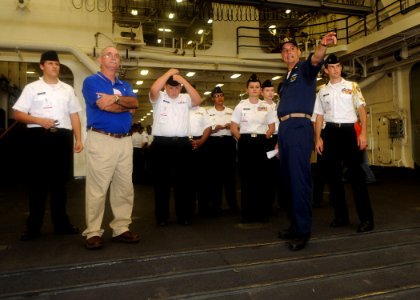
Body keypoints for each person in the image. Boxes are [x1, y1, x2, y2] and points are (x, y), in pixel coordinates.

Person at [12, 50, 83, 241]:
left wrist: (78, 139)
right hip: (38, 137)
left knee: (60, 185)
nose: (54, 67)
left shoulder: (67, 89)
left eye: (57, 64)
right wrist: (38, 119)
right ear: (42, 66)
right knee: (38, 185)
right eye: (50, 63)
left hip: (62, 137)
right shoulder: (32, 88)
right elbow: (17, 114)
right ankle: (33, 228)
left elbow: (74, 115)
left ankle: (62, 225)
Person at [277, 32, 337, 251]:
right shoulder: (287, 77)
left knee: (299, 180)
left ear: (299, 52)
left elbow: (316, 59)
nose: (288, 52)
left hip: (298, 128)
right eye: (284, 50)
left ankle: (303, 231)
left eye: (292, 49)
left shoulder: (304, 69)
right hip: (284, 129)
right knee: (288, 181)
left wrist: (321, 45)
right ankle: (294, 225)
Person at [82, 46, 140, 249]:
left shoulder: (125, 85)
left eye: (116, 56)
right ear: (100, 60)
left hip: (125, 141)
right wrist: (124, 106)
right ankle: (93, 232)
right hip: (101, 140)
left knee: (124, 187)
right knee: (97, 189)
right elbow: (103, 106)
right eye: (109, 54)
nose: (114, 57)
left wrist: (115, 99)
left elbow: (134, 104)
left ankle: (121, 228)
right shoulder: (91, 82)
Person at [314, 53, 374, 233]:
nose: (336, 69)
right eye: (332, 67)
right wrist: (317, 138)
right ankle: (341, 216)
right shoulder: (322, 91)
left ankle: (366, 219)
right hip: (330, 132)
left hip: (349, 132)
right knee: (334, 179)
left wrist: (363, 133)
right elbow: (319, 116)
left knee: (357, 177)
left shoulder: (353, 86)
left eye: (338, 66)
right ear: (326, 70)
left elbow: (362, 110)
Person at [149, 68, 202, 226]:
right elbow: (153, 89)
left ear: (180, 88)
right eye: (170, 87)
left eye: (176, 87)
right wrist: (168, 73)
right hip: (161, 144)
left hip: (182, 144)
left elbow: (198, 100)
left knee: (184, 183)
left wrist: (182, 79)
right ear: (165, 87)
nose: (173, 90)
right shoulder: (159, 98)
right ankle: (161, 218)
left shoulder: (185, 98)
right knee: (161, 183)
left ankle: (184, 215)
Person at [231, 74, 277, 223]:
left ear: (260, 89)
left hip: (262, 142)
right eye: (252, 87)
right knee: (246, 179)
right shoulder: (241, 106)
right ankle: (247, 214)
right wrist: (242, 139)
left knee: (262, 178)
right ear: (247, 89)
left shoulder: (267, 106)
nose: (255, 89)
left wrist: (265, 138)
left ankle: (261, 213)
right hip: (245, 142)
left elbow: (272, 127)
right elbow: (233, 127)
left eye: (257, 87)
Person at [207, 86, 238, 215]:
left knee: (230, 175)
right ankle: (216, 205)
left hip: (228, 143)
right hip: (214, 143)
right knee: (215, 176)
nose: (219, 98)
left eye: (221, 95)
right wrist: (214, 129)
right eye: (217, 96)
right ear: (213, 99)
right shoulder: (208, 112)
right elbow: (205, 129)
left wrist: (231, 126)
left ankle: (233, 205)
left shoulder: (231, 111)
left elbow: (238, 126)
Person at [261, 79, 281, 213]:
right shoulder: (258, 106)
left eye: (272, 90)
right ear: (262, 92)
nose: (270, 93)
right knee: (265, 173)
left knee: (277, 173)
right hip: (264, 139)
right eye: (267, 90)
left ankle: (277, 202)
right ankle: (265, 203)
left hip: (278, 139)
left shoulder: (279, 106)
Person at [189, 104, 212, 216]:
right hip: (185, 144)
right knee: (188, 179)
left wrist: (201, 141)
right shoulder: (180, 108)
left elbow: (208, 127)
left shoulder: (202, 110)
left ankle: (204, 208)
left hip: (201, 143)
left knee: (203, 177)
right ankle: (189, 210)